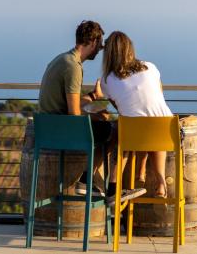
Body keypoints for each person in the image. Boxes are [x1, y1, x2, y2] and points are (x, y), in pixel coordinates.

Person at [38, 21, 145, 202]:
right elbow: (74, 114)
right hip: (62, 133)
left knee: (106, 125)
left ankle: (90, 181)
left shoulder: (62, 59)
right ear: (93, 41)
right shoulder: (73, 67)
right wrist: (97, 116)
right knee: (114, 130)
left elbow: (69, 103)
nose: (101, 49)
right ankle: (107, 187)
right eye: (100, 43)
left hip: (48, 129)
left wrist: (93, 97)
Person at [101, 31, 172, 199]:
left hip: (134, 136)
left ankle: (115, 183)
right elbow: (159, 95)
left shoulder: (107, 80)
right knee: (153, 125)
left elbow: (121, 108)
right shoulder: (150, 67)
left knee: (125, 129)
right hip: (168, 131)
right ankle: (161, 182)